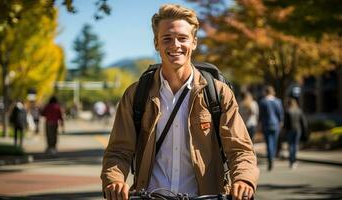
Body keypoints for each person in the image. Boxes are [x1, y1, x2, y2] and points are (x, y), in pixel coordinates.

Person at [101, 4, 259, 200]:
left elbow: (240, 149)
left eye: (182, 38)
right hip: (150, 195)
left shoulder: (218, 93)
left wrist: (244, 180)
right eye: (167, 38)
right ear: (156, 43)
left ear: (193, 42)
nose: (175, 45)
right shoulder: (136, 94)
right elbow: (118, 150)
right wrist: (114, 180)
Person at [259, 85, 284, 171]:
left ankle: (270, 158)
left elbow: (261, 115)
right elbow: (280, 114)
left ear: (266, 92)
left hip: (266, 124)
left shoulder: (263, 102)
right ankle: (272, 157)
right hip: (276, 124)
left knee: (269, 142)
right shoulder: (278, 101)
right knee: (274, 142)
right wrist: (281, 122)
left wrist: (260, 124)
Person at [283, 97, 308, 169]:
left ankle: (291, 161)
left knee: (290, 145)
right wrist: (305, 130)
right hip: (298, 130)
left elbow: (285, 123)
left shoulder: (287, 111)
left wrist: (284, 131)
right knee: (295, 145)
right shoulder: (299, 110)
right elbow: (303, 122)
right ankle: (294, 161)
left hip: (290, 130)